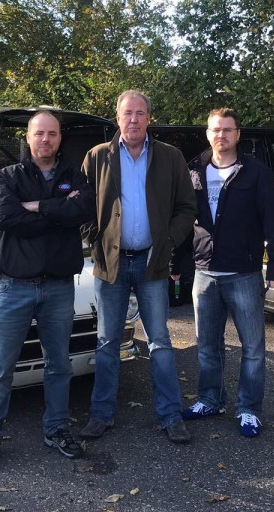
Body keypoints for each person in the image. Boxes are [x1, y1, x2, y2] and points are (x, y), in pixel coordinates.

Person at [0, 110, 94, 472]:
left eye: (52, 134)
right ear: (28, 137)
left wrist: (38, 206)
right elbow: (7, 218)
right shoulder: (5, 176)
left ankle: (56, 429)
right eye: (39, 134)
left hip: (58, 288)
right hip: (14, 287)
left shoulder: (74, 174)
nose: (46, 140)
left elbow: (84, 209)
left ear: (59, 138)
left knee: (59, 365)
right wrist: (58, 212)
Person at [80, 90, 197, 444]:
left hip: (152, 263)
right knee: (106, 342)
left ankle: (170, 415)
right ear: (117, 117)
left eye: (140, 113)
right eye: (127, 113)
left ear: (149, 118)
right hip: (110, 265)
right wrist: (93, 238)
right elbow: (82, 205)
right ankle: (101, 415)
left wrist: (168, 242)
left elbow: (186, 207)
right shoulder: (97, 157)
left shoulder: (170, 157)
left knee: (160, 341)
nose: (133, 119)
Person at [177, 108, 274, 438]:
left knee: (253, 347)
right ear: (207, 134)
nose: (220, 135)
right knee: (207, 345)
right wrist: (177, 265)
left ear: (238, 134)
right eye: (215, 130)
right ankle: (211, 400)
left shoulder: (255, 172)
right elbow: (184, 219)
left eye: (227, 129)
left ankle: (249, 409)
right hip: (204, 273)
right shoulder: (193, 170)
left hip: (243, 272)